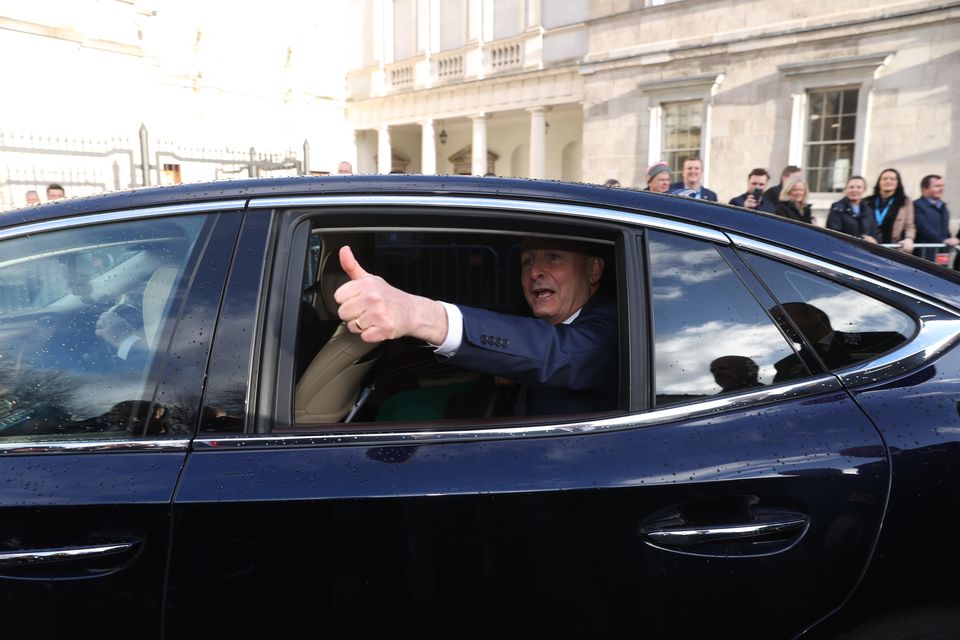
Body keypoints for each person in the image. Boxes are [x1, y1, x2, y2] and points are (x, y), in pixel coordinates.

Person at [334, 237, 618, 415]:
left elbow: (558, 354)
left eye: (553, 258)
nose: (534, 272)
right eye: (527, 261)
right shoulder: (545, 321)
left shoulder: (613, 328)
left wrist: (417, 314)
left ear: (593, 270)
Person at [870, 168, 915, 253]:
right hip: (870, 247)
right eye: (885, 179)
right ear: (879, 182)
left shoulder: (905, 201)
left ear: (898, 183)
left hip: (893, 248)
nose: (888, 181)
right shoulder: (867, 201)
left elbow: (909, 225)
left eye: (892, 179)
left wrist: (909, 239)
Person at [913, 174, 956, 262]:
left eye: (942, 186)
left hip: (941, 254)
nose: (941, 189)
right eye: (937, 186)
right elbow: (922, 227)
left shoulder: (943, 207)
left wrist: (949, 240)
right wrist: (943, 240)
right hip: (924, 254)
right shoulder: (916, 205)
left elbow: (945, 230)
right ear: (924, 189)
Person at [826, 176, 878, 242]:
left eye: (859, 187)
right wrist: (862, 239)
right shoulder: (837, 208)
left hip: (866, 251)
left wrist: (876, 240)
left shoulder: (869, 210)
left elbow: (876, 232)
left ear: (864, 189)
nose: (854, 190)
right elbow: (834, 234)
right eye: (851, 187)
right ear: (846, 189)